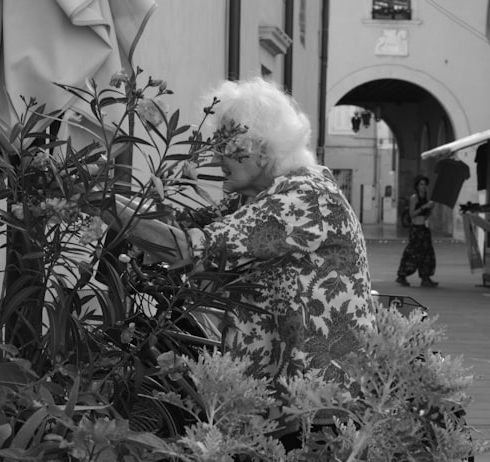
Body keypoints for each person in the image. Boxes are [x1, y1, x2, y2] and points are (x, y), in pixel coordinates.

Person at [118, 77, 376, 407]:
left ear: (263, 150)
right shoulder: (259, 198)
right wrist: (114, 201)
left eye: (225, 146)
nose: (214, 159)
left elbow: (186, 247)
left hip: (318, 408)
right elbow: (183, 227)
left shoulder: (307, 200)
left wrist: (101, 203)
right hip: (277, 399)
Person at [396, 175, 437, 287]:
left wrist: (431, 208)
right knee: (412, 253)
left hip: (424, 228)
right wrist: (424, 207)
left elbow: (427, 214)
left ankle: (425, 277)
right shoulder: (414, 198)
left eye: (424, 184)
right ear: (417, 186)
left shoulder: (427, 198)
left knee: (427, 253)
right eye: (421, 184)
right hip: (416, 229)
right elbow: (411, 214)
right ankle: (402, 275)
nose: (423, 187)